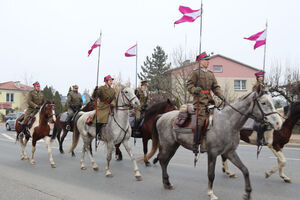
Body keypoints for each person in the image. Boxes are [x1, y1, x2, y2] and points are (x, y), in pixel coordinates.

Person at [187, 52, 225, 153]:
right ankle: (196, 144)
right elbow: (189, 85)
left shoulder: (210, 74)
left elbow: (215, 87)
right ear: (200, 62)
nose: (208, 62)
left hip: (209, 100)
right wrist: (194, 90)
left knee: (217, 117)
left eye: (208, 60)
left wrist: (221, 95)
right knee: (201, 120)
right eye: (206, 60)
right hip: (199, 100)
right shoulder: (195, 73)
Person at [91, 75, 116, 139]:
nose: (111, 82)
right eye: (110, 81)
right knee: (101, 118)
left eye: (111, 81)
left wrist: (112, 103)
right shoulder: (101, 88)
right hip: (102, 106)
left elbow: (114, 98)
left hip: (110, 106)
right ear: (106, 81)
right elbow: (95, 96)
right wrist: (95, 90)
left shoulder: (113, 90)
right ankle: (98, 133)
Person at [253, 70, 268, 146]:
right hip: (257, 106)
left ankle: (265, 138)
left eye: (262, 77)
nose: (261, 78)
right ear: (257, 78)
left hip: (264, 106)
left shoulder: (264, 85)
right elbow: (255, 96)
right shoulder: (256, 86)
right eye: (260, 77)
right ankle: (259, 140)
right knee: (260, 123)